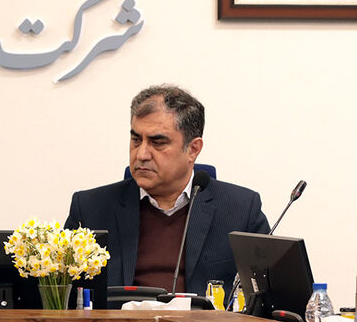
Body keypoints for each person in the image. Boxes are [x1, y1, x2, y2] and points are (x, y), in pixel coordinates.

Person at [65, 85, 269, 294]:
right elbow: (60, 297)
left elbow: (268, 297)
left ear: (193, 149)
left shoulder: (240, 210)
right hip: (118, 316)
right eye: (136, 140)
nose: (141, 154)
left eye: (158, 143)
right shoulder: (90, 209)